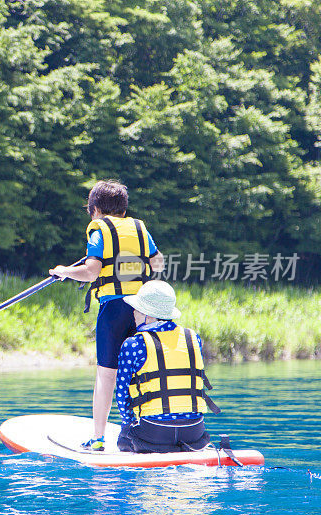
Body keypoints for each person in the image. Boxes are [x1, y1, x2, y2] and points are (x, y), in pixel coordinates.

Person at [49, 180, 164, 451]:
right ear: (124, 209)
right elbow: (157, 263)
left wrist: (64, 271)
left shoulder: (99, 230)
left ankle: (99, 438)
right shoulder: (140, 228)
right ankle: (147, 430)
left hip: (114, 310)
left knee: (106, 374)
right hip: (143, 311)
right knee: (144, 370)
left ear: (95, 209)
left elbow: (90, 273)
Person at [116, 280, 220, 453]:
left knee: (123, 440)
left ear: (149, 315)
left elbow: (121, 394)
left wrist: (127, 427)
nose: (133, 312)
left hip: (154, 432)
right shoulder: (194, 338)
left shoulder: (133, 344)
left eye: (138, 309)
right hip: (194, 432)